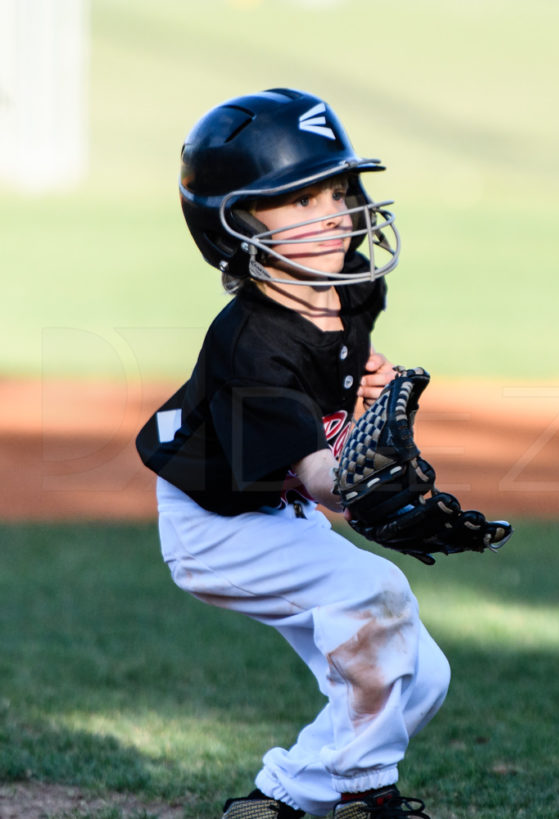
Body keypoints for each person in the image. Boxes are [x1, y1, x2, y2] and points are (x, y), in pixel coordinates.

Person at [136, 88, 445, 819]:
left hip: (274, 510)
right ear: (234, 225)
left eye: (337, 189)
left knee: (422, 676)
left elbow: (339, 364)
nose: (334, 211)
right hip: (215, 525)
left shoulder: (350, 285)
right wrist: (371, 477)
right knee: (380, 594)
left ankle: (279, 803)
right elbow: (323, 481)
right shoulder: (252, 344)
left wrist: (373, 379)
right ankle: (368, 798)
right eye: (300, 202)